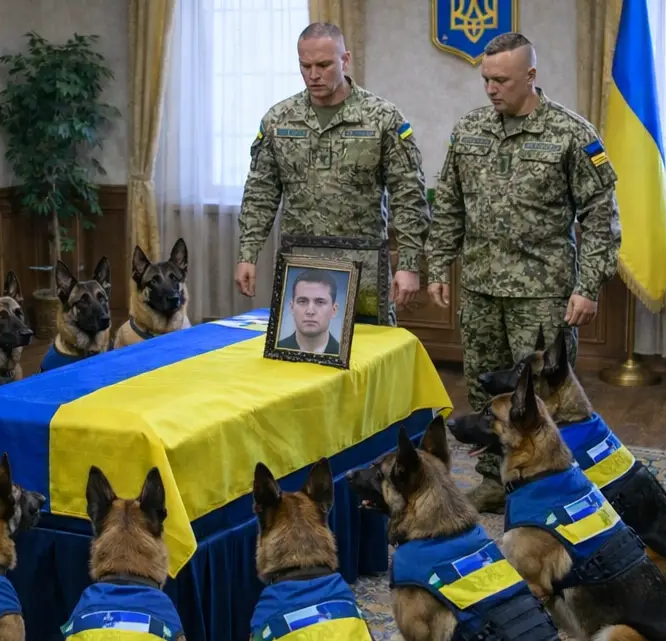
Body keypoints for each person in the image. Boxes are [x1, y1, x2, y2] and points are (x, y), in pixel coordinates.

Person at [426, 33, 621, 513]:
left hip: (543, 294)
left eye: (502, 80)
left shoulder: (570, 133)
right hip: (481, 290)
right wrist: (438, 265)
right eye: (486, 79)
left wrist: (588, 286)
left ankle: (558, 487)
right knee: (486, 392)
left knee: (546, 401)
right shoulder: (470, 129)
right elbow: (449, 203)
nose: (492, 88)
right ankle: (496, 481)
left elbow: (600, 215)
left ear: (530, 75)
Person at [235, 22, 430, 323]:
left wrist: (408, 264)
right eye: (305, 66)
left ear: (345, 60)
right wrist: (248, 254)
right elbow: (260, 193)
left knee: (371, 347)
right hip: (301, 266)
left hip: (363, 266)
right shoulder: (279, 119)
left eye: (324, 65)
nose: (313, 75)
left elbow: (409, 195)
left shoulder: (382, 118)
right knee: (301, 346)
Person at [278, 269, 341, 354]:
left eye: (320, 302)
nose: (310, 311)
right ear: (292, 307)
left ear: (334, 310)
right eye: (302, 301)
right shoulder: (278, 349)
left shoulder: (342, 355)